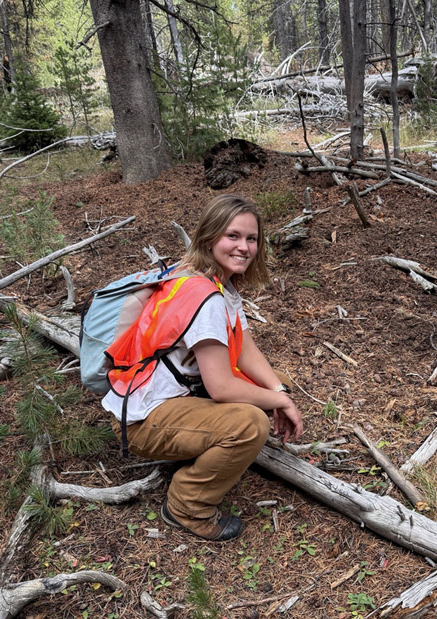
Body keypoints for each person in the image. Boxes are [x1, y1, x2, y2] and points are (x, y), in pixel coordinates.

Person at [102, 194, 303, 541]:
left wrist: (279, 392)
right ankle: (187, 507)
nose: (244, 247)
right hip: (144, 420)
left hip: (167, 398)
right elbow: (222, 387)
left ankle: (208, 447)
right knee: (250, 423)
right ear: (210, 238)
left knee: (274, 384)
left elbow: (244, 349)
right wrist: (280, 404)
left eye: (251, 238)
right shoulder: (206, 297)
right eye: (233, 236)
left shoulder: (213, 282)